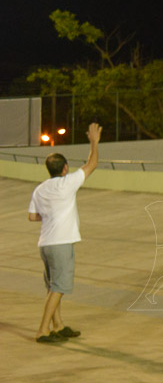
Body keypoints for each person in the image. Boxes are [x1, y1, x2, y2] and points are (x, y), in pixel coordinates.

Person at [28, 122, 102, 343]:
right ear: (65, 168)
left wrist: (50, 215)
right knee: (59, 287)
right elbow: (92, 163)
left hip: (45, 243)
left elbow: (32, 216)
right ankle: (43, 330)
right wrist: (94, 142)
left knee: (53, 286)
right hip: (61, 243)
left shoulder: (40, 189)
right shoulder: (67, 184)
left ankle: (57, 325)